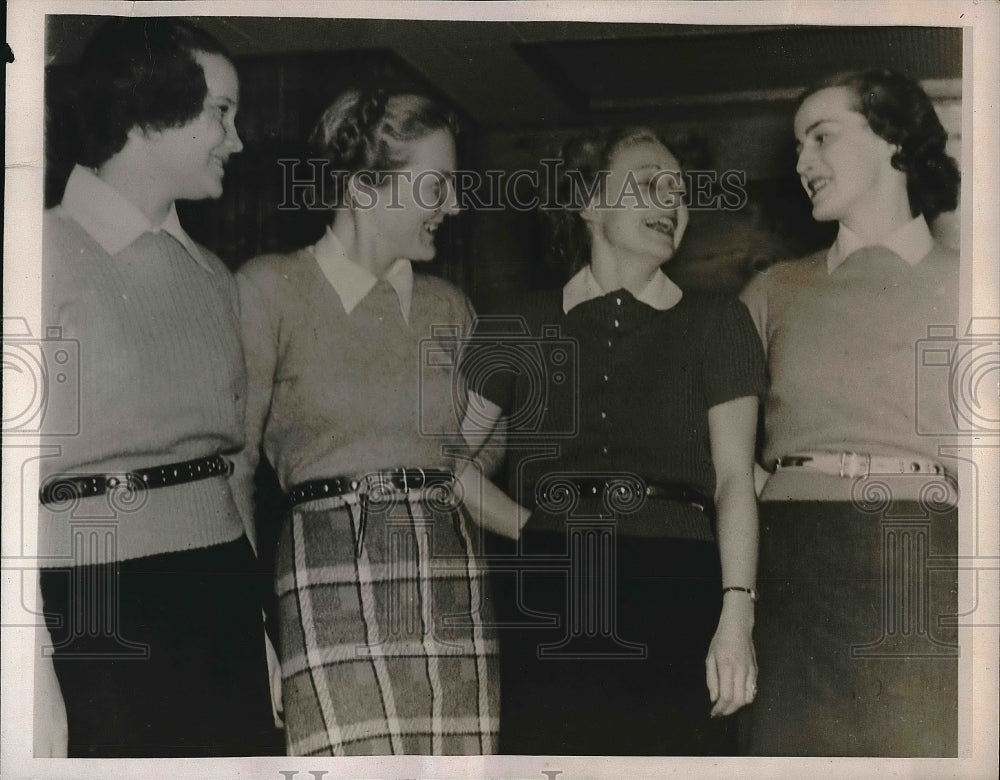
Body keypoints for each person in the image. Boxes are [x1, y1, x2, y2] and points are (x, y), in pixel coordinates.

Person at [464, 127, 766, 755]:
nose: (671, 202)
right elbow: (448, 461)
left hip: (677, 582)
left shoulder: (719, 322)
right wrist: (530, 529)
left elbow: (736, 479)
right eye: (649, 182)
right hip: (549, 587)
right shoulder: (517, 322)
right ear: (588, 201)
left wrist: (736, 614)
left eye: (679, 192)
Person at [35, 18, 276, 757]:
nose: (236, 141)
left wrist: (257, 625)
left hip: (221, 587)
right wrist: (31, 668)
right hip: (91, 597)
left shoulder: (213, 277)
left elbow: (234, 468)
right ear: (144, 117)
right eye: (220, 114)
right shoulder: (35, 251)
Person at [236, 87, 500, 756]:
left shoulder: (451, 308)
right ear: (361, 187)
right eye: (437, 186)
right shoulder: (269, 289)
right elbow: (232, 471)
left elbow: (485, 455)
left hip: (450, 576)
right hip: (326, 576)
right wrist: (249, 626)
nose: (456, 205)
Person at [739, 69, 961, 756]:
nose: (803, 162)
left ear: (892, 138)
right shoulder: (772, 291)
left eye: (822, 137)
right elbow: (719, 456)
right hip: (789, 558)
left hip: (917, 555)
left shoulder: (974, 282)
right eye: (799, 145)